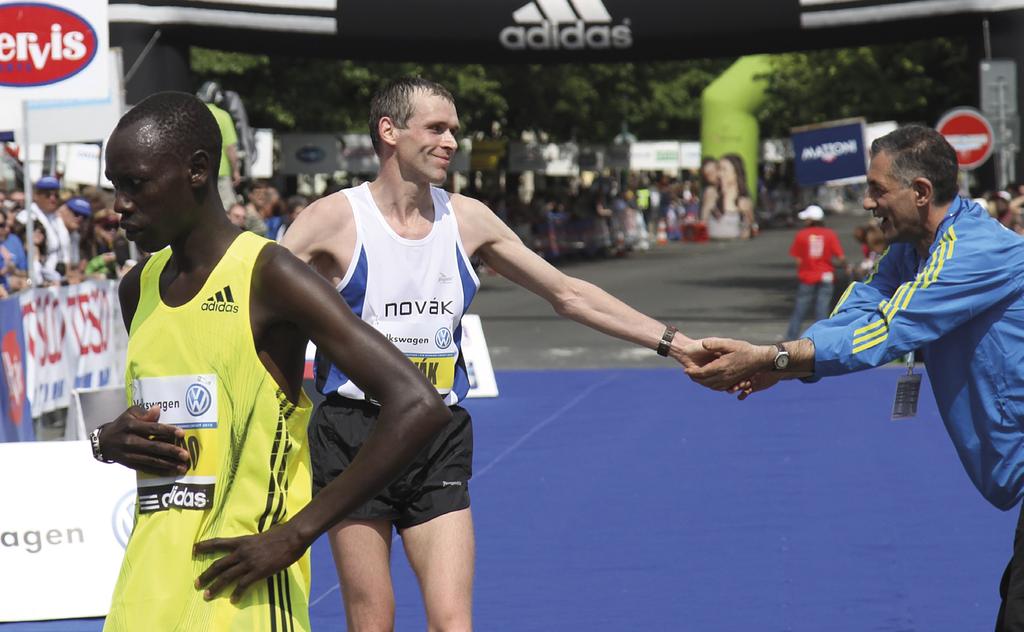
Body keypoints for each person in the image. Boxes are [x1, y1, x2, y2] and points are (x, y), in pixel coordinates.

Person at [280, 77, 704, 632]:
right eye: (437, 128)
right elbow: (258, 309)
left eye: (455, 130)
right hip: (354, 431)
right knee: (372, 620)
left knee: (454, 623)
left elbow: (568, 293)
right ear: (389, 131)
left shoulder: (469, 218)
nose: (452, 141)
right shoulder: (331, 220)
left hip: (436, 430)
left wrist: (674, 344)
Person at [91, 91, 451, 632]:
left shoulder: (270, 274)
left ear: (196, 171)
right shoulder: (136, 288)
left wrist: (297, 532)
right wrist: (108, 441)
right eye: (115, 186)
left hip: (244, 592)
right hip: (148, 587)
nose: (120, 205)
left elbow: (418, 404)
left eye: (135, 184)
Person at [685, 124, 1024, 630]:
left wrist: (772, 356)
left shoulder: (973, 251)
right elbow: (860, 309)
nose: (866, 202)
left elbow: (887, 331)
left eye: (876, 189)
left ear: (921, 192)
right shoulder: (911, 250)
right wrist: (781, 362)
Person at [784, 204, 847, 340]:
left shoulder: (801, 235)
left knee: (800, 309)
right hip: (826, 275)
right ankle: (821, 339)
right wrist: (841, 266)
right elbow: (841, 257)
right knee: (822, 310)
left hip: (808, 276)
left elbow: (798, 260)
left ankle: (791, 338)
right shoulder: (830, 234)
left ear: (811, 220)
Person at [197, 81, 242, 211]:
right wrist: (235, 171)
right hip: (220, 172)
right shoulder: (223, 116)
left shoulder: (195, 114)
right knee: (227, 208)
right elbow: (230, 148)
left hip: (198, 171)